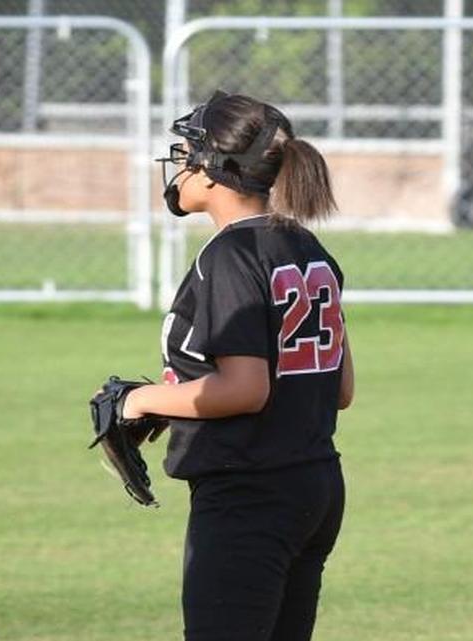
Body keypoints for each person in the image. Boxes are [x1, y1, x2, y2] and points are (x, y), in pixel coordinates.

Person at [132, 90, 355, 641]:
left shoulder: (229, 255)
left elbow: (245, 388)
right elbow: (341, 387)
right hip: (315, 483)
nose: (178, 164)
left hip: (251, 492)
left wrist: (139, 400)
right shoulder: (304, 244)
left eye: (186, 152)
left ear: (213, 171)